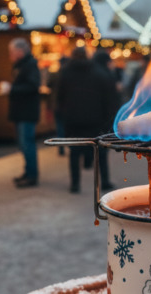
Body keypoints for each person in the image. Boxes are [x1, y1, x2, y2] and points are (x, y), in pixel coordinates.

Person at [57, 47, 117, 193]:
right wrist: (107, 119)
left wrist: (64, 114)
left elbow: (60, 97)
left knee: (74, 152)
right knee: (100, 152)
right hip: (95, 119)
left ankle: (75, 184)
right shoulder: (98, 73)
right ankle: (104, 181)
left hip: (73, 119)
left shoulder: (65, 73)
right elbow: (108, 98)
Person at [8, 38, 40, 188]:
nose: (10, 55)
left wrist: (12, 89)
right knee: (24, 144)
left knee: (27, 143)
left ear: (20, 51)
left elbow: (33, 86)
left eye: (12, 52)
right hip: (22, 111)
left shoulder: (29, 65)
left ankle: (31, 175)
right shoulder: (22, 65)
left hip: (26, 111)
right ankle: (28, 172)